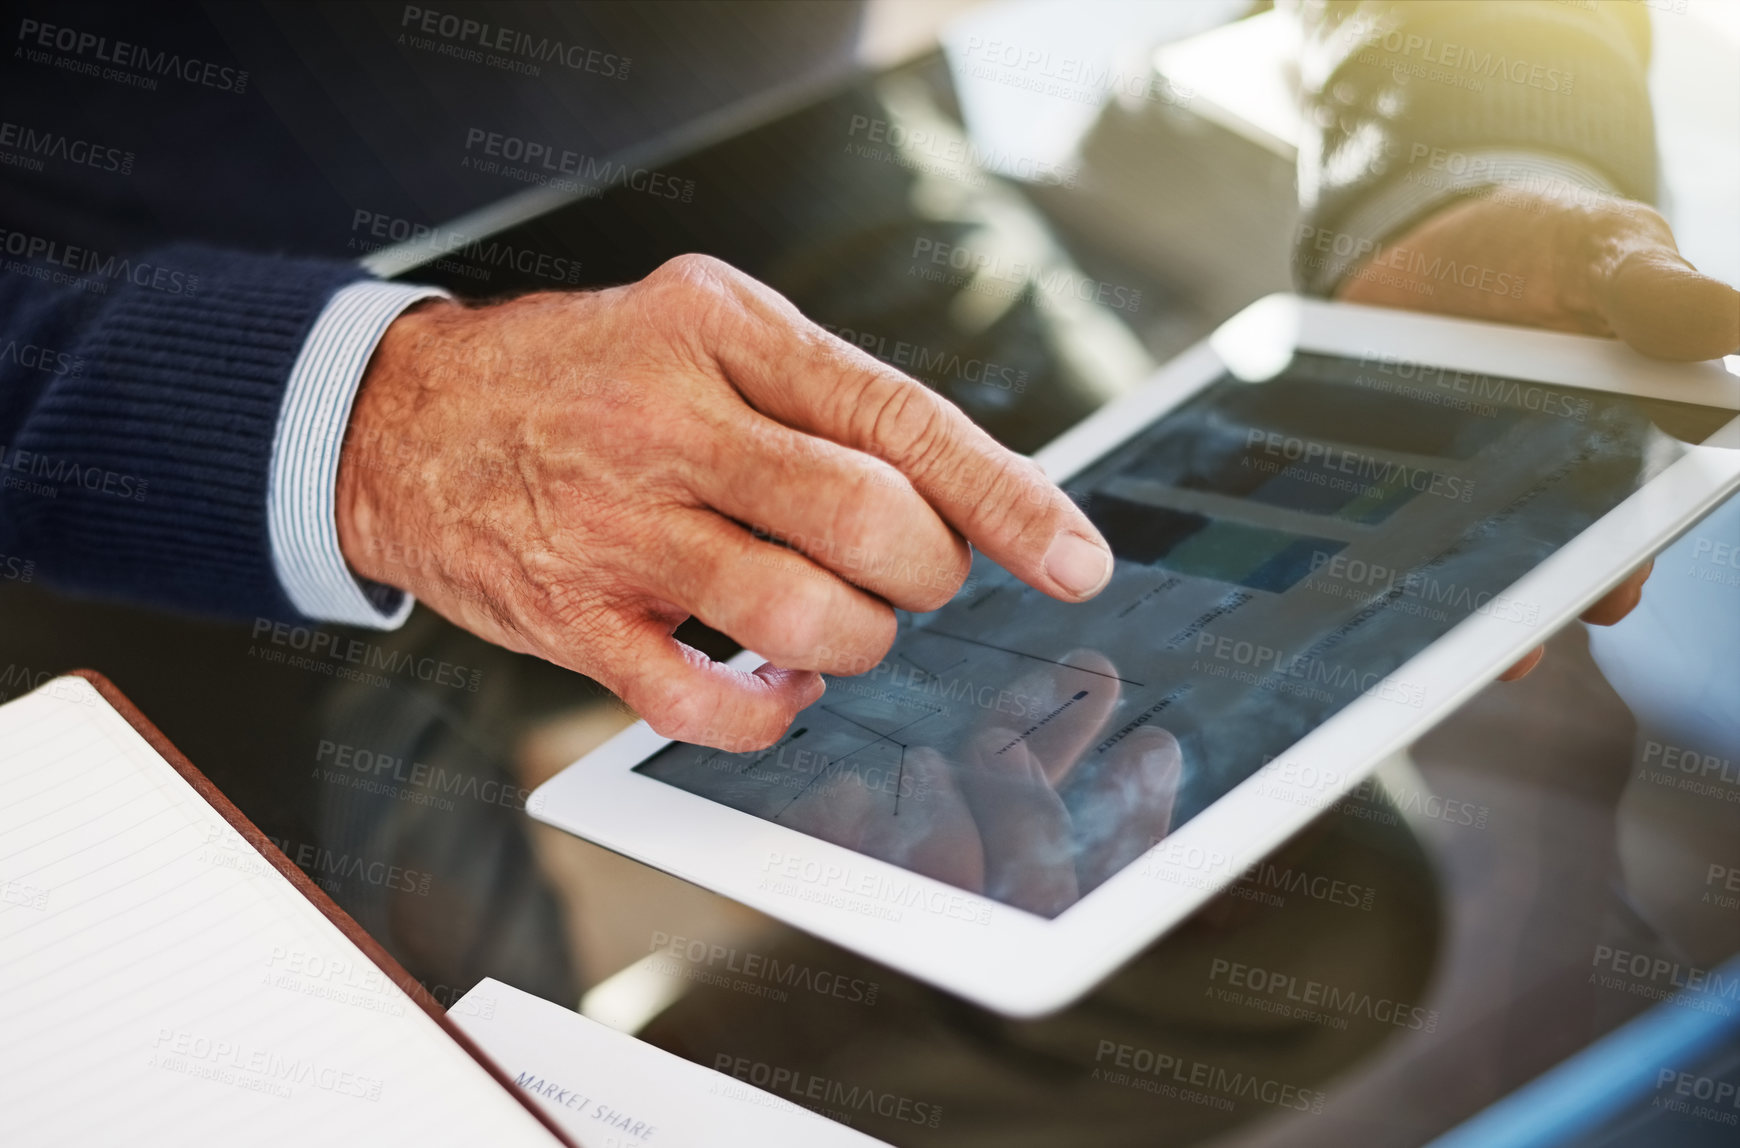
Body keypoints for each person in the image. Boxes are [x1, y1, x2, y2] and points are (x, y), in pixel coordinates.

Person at [1, 0, 1733, 761]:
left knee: (1287, 914)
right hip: (138, 311)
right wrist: (363, 430)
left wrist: (1465, 145)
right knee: (370, 1053)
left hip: (755, 137)